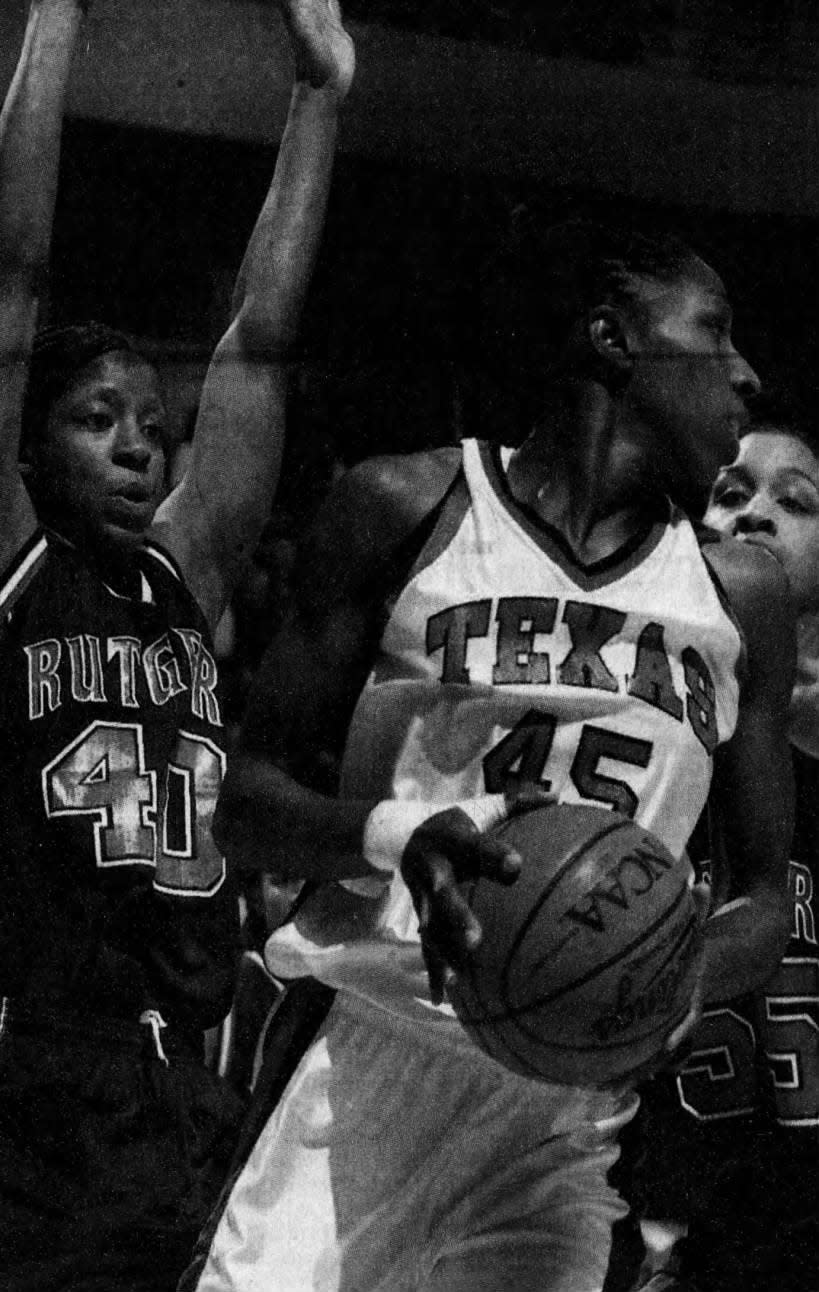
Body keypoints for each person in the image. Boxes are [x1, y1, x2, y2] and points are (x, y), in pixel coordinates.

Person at [180, 216, 797, 1292]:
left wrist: (667, 975)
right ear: (615, 338)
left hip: (561, 1120)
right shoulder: (406, 504)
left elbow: (761, 893)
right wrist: (390, 832)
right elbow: (241, 797)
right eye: (715, 332)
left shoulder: (740, 595)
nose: (745, 375)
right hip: (365, 1061)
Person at [0, 1, 354, 1289]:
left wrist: (321, 94)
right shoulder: (21, 564)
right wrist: (54, 17)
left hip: (195, 1078)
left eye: (155, 420)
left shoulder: (186, 571)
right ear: (29, 447)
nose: (145, 441)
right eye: (100, 418)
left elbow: (259, 339)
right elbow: (15, 277)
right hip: (37, 1065)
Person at [615, 401, 819, 1292]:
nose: (754, 515)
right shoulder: (625, 731)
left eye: (796, 501)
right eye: (729, 494)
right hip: (629, 1195)